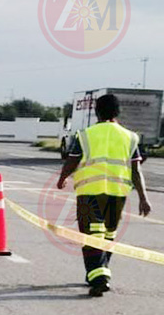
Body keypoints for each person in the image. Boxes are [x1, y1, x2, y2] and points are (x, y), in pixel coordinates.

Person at [57, 93, 152, 296]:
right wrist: (143, 198)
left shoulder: (85, 135)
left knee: (92, 235)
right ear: (117, 112)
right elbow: (137, 170)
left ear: (96, 112)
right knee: (107, 235)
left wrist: (62, 178)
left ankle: (99, 277)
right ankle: (97, 272)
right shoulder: (130, 137)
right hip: (117, 194)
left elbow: (72, 161)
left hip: (90, 193)